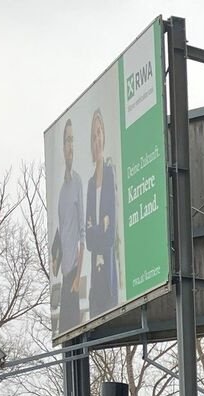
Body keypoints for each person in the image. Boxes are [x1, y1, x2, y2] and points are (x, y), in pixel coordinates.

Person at [85, 109, 120, 319]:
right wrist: (100, 227)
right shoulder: (90, 185)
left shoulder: (110, 174)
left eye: (99, 134)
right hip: (94, 274)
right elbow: (89, 241)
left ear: (104, 136)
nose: (97, 140)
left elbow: (109, 237)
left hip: (108, 271)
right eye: (93, 136)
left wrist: (95, 229)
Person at [52, 119, 84, 332]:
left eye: (73, 140)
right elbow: (63, 231)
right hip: (64, 276)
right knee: (66, 335)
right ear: (63, 147)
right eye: (67, 141)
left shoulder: (78, 182)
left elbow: (82, 234)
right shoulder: (62, 190)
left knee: (76, 330)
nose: (70, 146)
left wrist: (77, 279)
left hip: (73, 274)